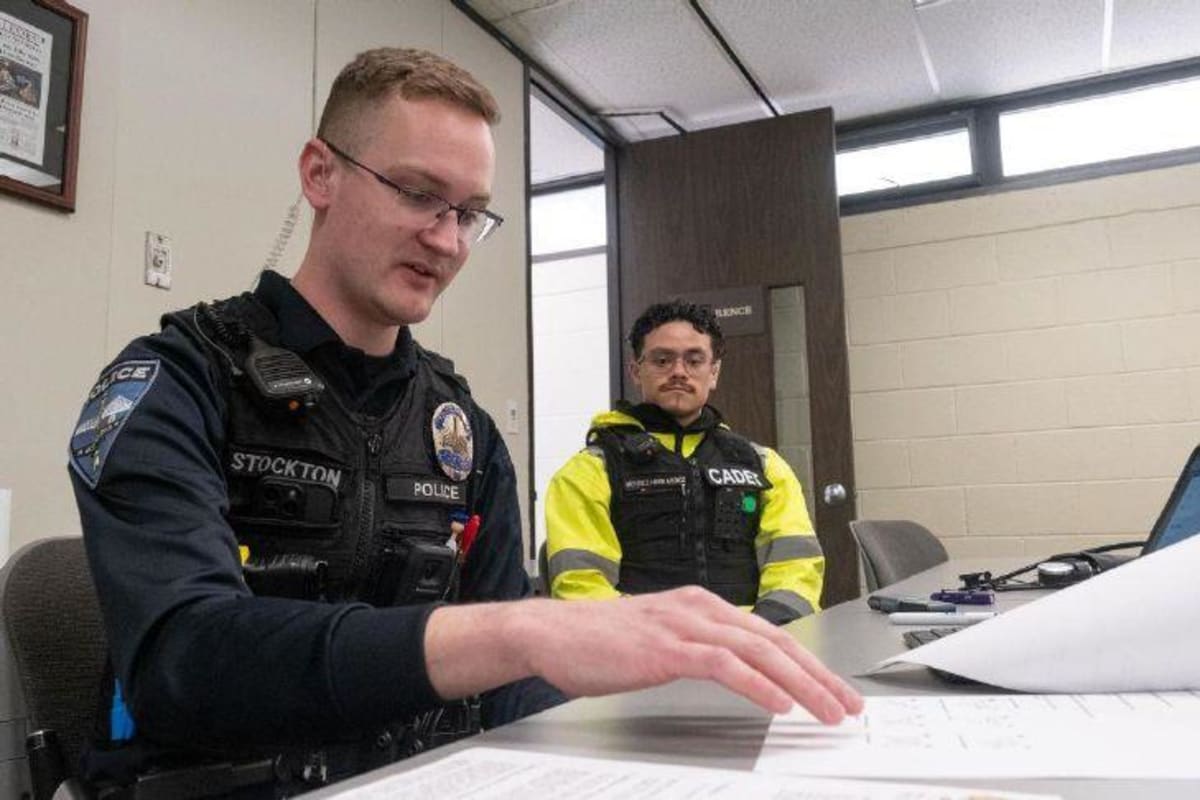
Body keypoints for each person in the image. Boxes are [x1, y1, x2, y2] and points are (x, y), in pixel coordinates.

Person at [68, 49, 861, 796]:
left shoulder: (462, 429)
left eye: (471, 213)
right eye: (417, 193)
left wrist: (640, 755)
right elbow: (185, 662)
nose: (446, 240)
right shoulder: (177, 381)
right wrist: (519, 631)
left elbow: (514, 687)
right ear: (320, 174)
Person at [544, 300, 824, 626]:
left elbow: (797, 567)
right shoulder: (589, 471)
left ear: (713, 372)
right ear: (636, 370)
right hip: (643, 656)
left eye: (694, 360)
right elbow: (582, 585)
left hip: (752, 648)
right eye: (662, 360)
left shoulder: (764, 466)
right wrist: (666, 643)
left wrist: (762, 632)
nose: (678, 371)